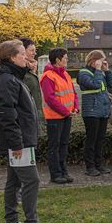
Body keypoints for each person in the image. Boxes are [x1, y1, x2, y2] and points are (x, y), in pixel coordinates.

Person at [0, 40, 48, 223]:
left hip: (20, 140)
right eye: (23, 54)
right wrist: (16, 145)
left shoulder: (12, 77)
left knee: (13, 181)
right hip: (18, 143)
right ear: (12, 57)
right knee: (31, 180)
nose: (27, 56)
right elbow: (6, 115)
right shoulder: (7, 80)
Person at [40, 47, 78, 184]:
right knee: (54, 147)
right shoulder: (48, 77)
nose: (67, 59)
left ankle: (63, 171)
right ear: (57, 59)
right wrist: (67, 112)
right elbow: (50, 99)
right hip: (55, 118)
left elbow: (73, 93)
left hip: (66, 116)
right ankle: (55, 174)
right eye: (65, 58)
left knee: (63, 145)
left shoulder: (66, 74)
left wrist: (75, 107)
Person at [77, 50, 112, 176]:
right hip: (91, 112)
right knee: (91, 140)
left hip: (103, 111)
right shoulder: (84, 73)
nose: (103, 62)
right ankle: (90, 167)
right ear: (93, 60)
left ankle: (99, 165)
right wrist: (99, 71)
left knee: (100, 140)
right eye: (101, 60)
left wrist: (107, 70)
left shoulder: (100, 72)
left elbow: (111, 84)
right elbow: (94, 85)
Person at [20, 38, 45, 137]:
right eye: (32, 50)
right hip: (27, 120)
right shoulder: (20, 72)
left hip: (35, 117)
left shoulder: (30, 70)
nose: (34, 53)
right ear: (22, 51)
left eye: (35, 50)